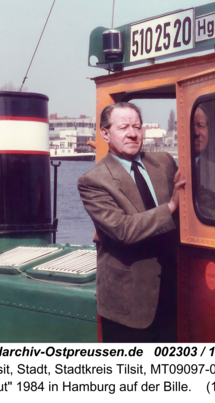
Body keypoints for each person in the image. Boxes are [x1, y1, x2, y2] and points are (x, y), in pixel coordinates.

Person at [77, 102, 185, 342]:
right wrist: (170, 207)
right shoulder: (93, 181)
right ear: (105, 133)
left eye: (137, 126)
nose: (133, 133)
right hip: (128, 303)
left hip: (174, 293)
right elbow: (122, 230)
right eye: (124, 127)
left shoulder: (164, 162)